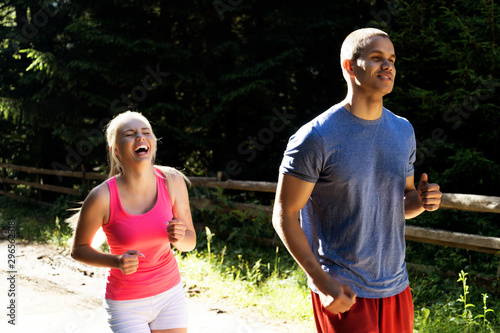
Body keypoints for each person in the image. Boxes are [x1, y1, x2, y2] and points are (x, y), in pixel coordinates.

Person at [272, 28, 442, 333]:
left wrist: (422, 200)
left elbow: (401, 203)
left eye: (391, 59)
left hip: (396, 286)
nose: (388, 65)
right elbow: (283, 215)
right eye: (377, 58)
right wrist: (322, 282)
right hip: (343, 290)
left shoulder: (403, 131)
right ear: (350, 66)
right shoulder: (316, 136)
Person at [69, 111, 196, 333]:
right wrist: (117, 261)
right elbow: (78, 250)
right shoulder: (102, 197)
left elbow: (190, 243)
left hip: (170, 295)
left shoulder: (172, 181)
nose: (140, 136)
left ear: (153, 142)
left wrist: (180, 237)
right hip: (126, 304)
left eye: (146, 132)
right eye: (130, 134)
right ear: (115, 149)